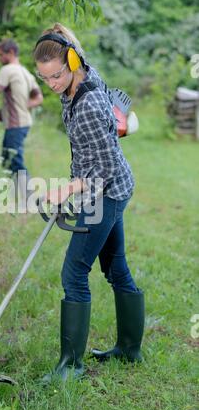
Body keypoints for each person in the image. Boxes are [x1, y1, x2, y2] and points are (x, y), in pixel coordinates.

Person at [33, 23, 145, 383]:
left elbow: (105, 169)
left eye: (55, 76)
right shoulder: (80, 74)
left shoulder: (89, 108)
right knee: (116, 268)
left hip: (108, 191)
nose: (51, 85)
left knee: (74, 271)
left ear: (70, 62)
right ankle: (129, 350)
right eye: (43, 78)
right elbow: (101, 153)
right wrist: (62, 37)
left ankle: (72, 365)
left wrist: (64, 191)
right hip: (112, 187)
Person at [0, 39, 43, 199]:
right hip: (23, 123)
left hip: (16, 124)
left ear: (10, 53)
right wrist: (24, 105)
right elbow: (39, 98)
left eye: (1, 55)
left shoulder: (8, 70)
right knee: (7, 159)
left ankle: (30, 198)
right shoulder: (26, 72)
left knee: (14, 160)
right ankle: (18, 194)